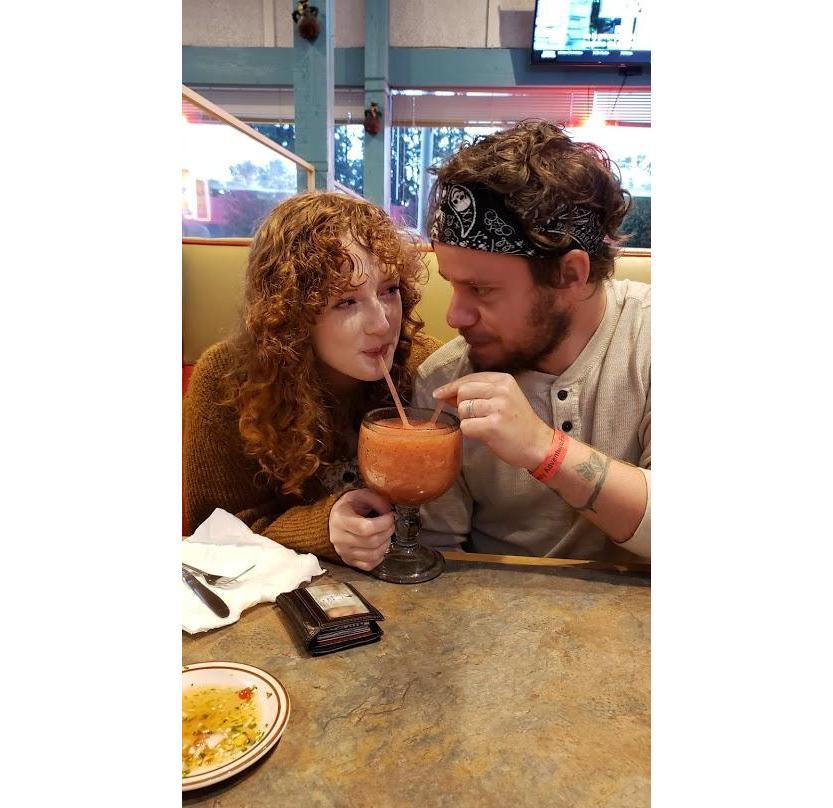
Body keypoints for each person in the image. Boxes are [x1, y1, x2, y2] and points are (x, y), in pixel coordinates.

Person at [412, 120, 650, 560]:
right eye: (452, 284)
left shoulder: (652, 340)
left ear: (570, 275)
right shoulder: (443, 382)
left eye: (482, 290)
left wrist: (543, 449)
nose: (454, 316)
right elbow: (438, 557)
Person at [184, 191, 440, 571]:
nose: (382, 324)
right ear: (290, 315)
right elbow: (213, 535)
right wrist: (323, 529)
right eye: (346, 302)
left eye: (389, 290)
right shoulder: (228, 381)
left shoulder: (423, 366)